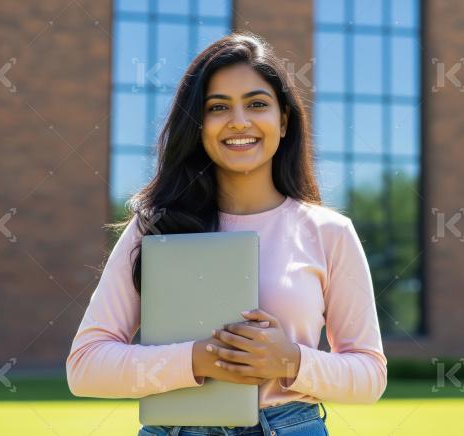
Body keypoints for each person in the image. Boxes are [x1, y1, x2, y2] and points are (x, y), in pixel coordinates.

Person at [66, 32, 387, 435]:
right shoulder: (155, 227)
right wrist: (198, 360)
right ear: (198, 126)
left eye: (257, 104)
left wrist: (292, 361)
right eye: (218, 107)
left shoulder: (329, 233)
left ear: (283, 121)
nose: (239, 121)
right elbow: (85, 366)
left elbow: (370, 375)